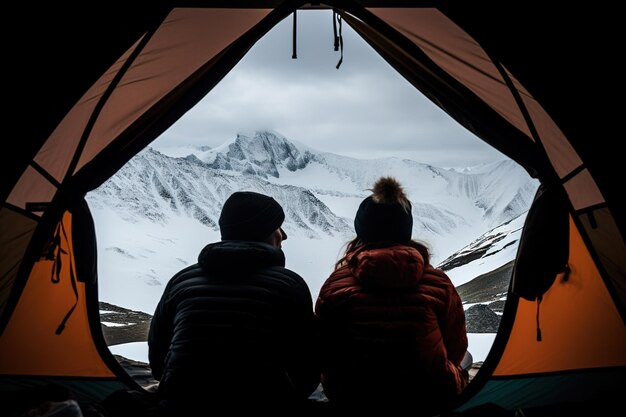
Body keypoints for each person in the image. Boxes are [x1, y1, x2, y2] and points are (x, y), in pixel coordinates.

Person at [148, 191, 320, 415]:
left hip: (180, 405)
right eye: (278, 226)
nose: (284, 235)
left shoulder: (182, 280)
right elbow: (307, 366)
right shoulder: (289, 285)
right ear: (264, 232)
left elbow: (158, 356)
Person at [315, 177, 469, 414]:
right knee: (465, 360)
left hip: (355, 400)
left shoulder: (336, 285)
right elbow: (457, 347)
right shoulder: (439, 283)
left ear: (361, 232)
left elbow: (324, 351)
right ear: (406, 231)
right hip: (428, 398)